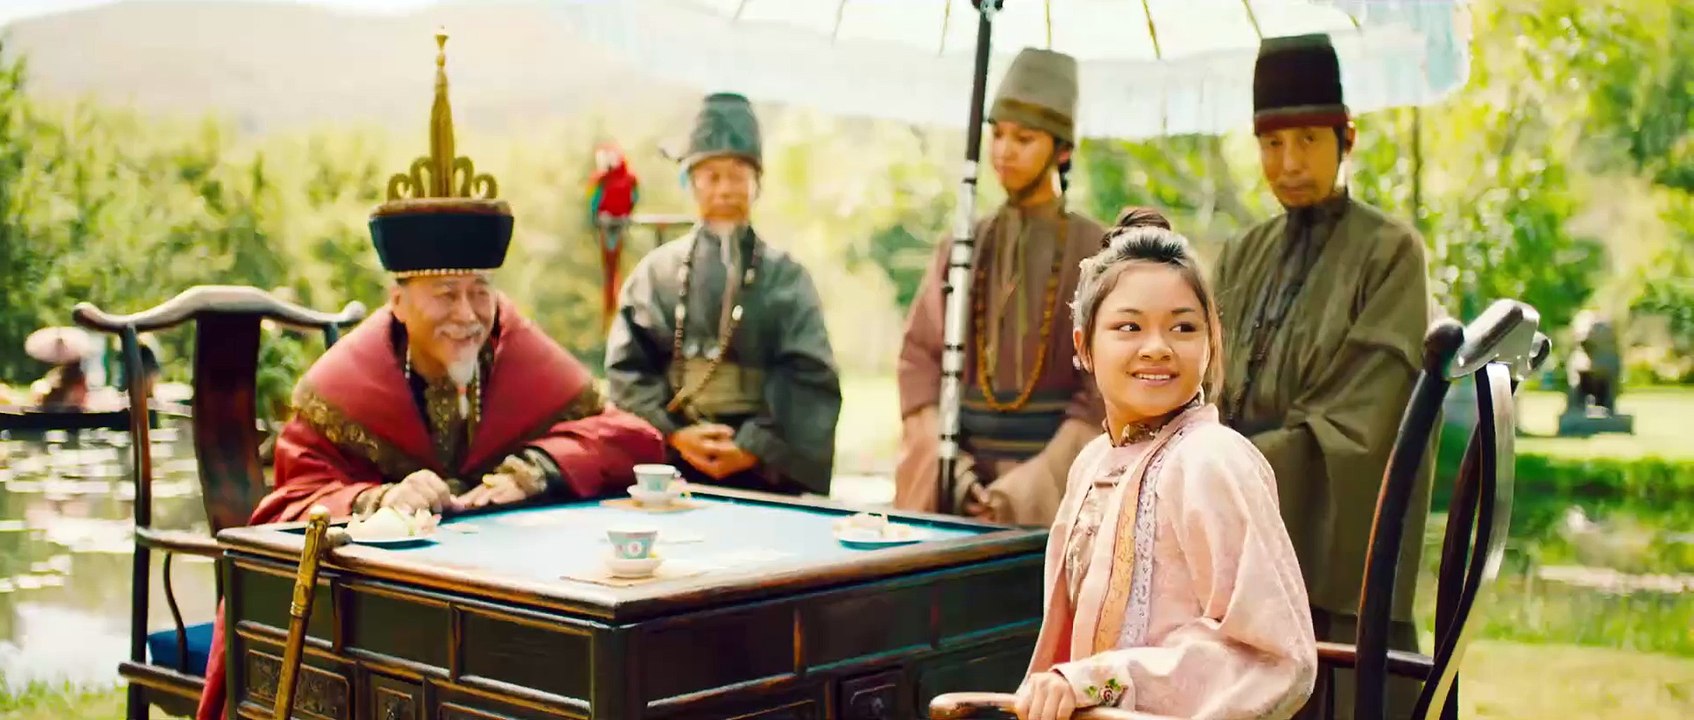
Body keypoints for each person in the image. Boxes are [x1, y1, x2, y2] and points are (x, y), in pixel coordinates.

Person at [194, 32, 665, 720]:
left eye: (480, 291)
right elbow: (285, 508)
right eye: (445, 295)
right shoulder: (342, 389)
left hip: (513, 604)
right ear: (398, 301)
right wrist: (377, 498)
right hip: (374, 623)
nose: (468, 315)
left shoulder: (514, 344)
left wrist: (533, 470)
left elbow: (632, 438)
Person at [1014, 209, 1315, 720]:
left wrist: (1101, 680)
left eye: (1183, 327)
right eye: (1129, 327)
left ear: (1211, 341)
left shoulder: (1211, 460)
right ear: (1084, 345)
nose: (1157, 348)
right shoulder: (1092, 462)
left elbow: (1273, 658)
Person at [1211, 33, 1435, 719]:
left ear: (1347, 138)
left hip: (1329, 537)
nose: (1288, 162)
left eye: (1308, 140)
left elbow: (1364, 417)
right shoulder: (1242, 253)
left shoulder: (1391, 252)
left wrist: (1231, 469)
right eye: (1272, 143)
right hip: (1231, 523)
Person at [895, 48, 1106, 526]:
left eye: (1024, 138)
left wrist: (1031, 487)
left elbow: (1104, 386)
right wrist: (951, 470)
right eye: (997, 134)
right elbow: (919, 359)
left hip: (1058, 480)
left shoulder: (1098, 250)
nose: (1004, 151)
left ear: (1063, 151)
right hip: (958, 478)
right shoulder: (961, 246)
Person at [605, 92, 842, 497]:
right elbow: (627, 373)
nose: (725, 190)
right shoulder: (656, 274)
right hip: (674, 464)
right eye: (712, 177)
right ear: (691, 183)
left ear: (757, 184)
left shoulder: (787, 278)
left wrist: (755, 447)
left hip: (765, 471)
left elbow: (809, 378)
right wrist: (674, 434)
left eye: (738, 176)